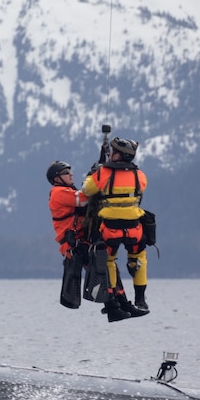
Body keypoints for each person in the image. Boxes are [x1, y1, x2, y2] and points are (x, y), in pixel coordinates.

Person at [82, 137, 150, 322]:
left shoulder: (103, 173)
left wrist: (93, 172)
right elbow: (139, 190)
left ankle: (112, 300)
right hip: (134, 229)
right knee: (138, 258)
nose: (111, 154)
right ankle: (140, 299)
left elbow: (87, 190)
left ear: (119, 154)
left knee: (109, 261)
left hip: (110, 229)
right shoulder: (140, 175)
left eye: (113, 151)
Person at [47, 161, 88, 258]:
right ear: (57, 179)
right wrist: (93, 181)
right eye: (66, 172)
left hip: (78, 241)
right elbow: (83, 199)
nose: (71, 174)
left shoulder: (66, 191)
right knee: (100, 269)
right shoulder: (58, 192)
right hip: (73, 244)